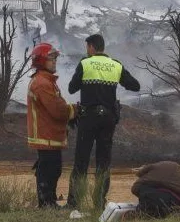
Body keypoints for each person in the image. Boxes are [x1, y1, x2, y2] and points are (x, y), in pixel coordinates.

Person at [66, 34, 140, 209]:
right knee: (103, 162)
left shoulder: (85, 63)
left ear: (91, 47)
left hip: (88, 118)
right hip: (107, 120)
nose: (87, 50)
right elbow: (135, 86)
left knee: (81, 161)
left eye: (87, 47)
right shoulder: (116, 65)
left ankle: (74, 202)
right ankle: (99, 202)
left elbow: (71, 88)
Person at [27, 43, 78, 208]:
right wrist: (75, 110)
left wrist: (70, 111)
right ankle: (46, 203)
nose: (54, 61)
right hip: (46, 135)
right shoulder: (42, 83)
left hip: (50, 135)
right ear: (41, 61)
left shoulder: (47, 81)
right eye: (51, 58)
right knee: (49, 170)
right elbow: (57, 109)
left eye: (55, 58)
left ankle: (49, 201)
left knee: (52, 169)